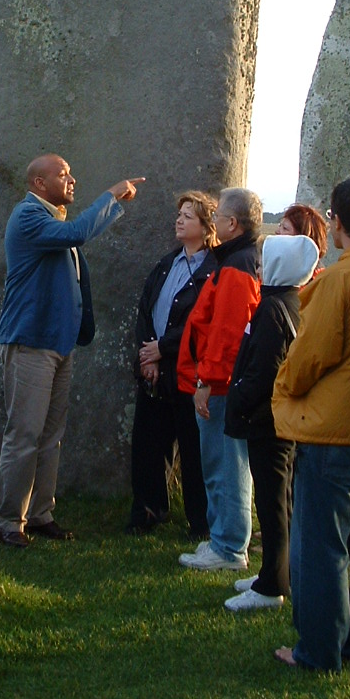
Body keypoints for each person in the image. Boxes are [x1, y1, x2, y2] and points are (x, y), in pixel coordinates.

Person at [272, 176, 350, 671]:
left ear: (337, 222)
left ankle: (318, 651)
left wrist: (284, 388)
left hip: (331, 430)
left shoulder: (343, 279)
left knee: (319, 550)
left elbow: (310, 355)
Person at [0, 155, 143, 548]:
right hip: (30, 343)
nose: (72, 180)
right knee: (24, 434)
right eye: (63, 175)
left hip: (57, 344)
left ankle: (40, 514)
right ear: (39, 183)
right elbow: (78, 233)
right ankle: (8, 521)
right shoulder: (29, 216)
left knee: (50, 435)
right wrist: (111, 194)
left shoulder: (52, 219)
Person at [223, 233, 319, 611]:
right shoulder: (292, 302)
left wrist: (240, 396)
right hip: (279, 418)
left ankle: (272, 586)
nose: (259, 269)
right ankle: (276, 572)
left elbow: (264, 369)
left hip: (267, 420)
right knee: (280, 501)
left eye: (265, 263)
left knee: (273, 502)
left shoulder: (272, 309)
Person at [175, 187, 263, 571]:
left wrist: (207, 381)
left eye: (220, 215)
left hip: (222, 386)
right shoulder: (236, 261)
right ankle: (222, 539)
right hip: (220, 382)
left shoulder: (236, 267)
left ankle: (228, 547)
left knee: (225, 466)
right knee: (221, 465)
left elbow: (227, 332)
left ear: (232, 223)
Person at [127, 191, 218, 537]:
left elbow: (202, 321)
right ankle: (147, 512)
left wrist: (161, 349)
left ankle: (201, 523)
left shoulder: (214, 270)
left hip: (190, 372)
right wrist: (147, 354)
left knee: (194, 451)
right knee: (148, 445)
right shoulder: (167, 263)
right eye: (179, 214)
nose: (179, 221)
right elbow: (145, 309)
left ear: (207, 227)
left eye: (188, 216)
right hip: (155, 368)